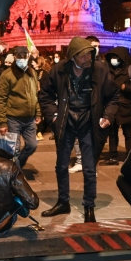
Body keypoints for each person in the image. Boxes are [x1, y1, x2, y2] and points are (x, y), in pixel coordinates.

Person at [39, 37, 118, 222]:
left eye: (90, 54)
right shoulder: (58, 70)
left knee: (90, 168)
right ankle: (62, 202)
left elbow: (113, 96)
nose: (88, 58)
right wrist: (53, 116)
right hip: (65, 122)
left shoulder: (100, 70)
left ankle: (89, 206)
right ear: (73, 57)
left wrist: (108, 116)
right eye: (83, 56)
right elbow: (45, 95)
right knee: (61, 166)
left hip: (89, 123)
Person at [0, 46, 41, 169]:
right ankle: (14, 174)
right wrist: (2, 122)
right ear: (15, 57)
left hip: (29, 118)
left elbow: (34, 95)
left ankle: (17, 165)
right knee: (13, 150)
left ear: (28, 57)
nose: (22, 59)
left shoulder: (32, 72)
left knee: (32, 145)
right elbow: (1, 99)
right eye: (19, 57)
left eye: (24, 56)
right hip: (13, 118)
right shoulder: (7, 75)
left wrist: (37, 113)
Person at [101, 47, 131, 165]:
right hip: (112, 105)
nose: (114, 60)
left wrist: (126, 88)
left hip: (126, 105)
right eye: (112, 58)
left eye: (116, 57)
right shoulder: (107, 70)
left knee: (128, 132)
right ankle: (113, 156)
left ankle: (130, 155)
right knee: (112, 132)